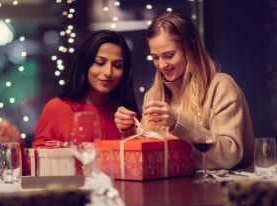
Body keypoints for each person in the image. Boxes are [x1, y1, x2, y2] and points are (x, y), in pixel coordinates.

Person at [114, 11, 254, 170]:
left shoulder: (220, 86)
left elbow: (230, 156)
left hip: (221, 191)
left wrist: (178, 123)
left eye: (169, 55)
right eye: (155, 57)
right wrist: (130, 130)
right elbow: (152, 161)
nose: (161, 65)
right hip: (172, 189)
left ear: (191, 47)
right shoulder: (152, 95)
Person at [32, 30, 139, 148]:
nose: (108, 72)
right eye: (100, 62)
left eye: (117, 65)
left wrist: (130, 131)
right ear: (85, 64)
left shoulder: (126, 115)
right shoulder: (57, 108)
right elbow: (37, 161)